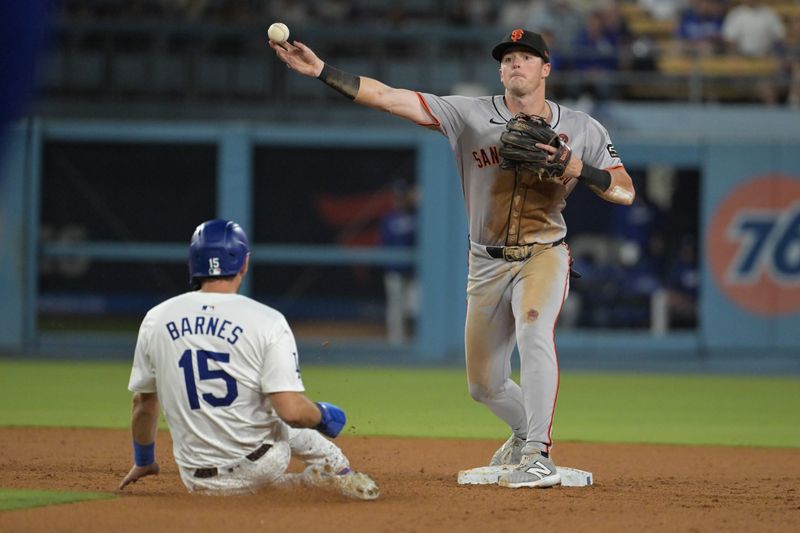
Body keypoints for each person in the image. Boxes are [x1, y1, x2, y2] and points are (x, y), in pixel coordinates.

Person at [270, 28, 635, 489]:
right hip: (486, 261)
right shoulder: (469, 115)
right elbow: (388, 97)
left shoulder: (582, 128)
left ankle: (539, 454)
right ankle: (524, 434)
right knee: (484, 386)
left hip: (544, 251)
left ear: (546, 68)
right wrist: (321, 70)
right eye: (507, 58)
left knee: (534, 327)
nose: (514, 64)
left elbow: (624, 191)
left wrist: (577, 167)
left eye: (526, 57)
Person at [118, 219, 379, 499]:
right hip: (260, 466)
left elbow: (143, 404)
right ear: (243, 264)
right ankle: (327, 478)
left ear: (192, 264)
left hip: (195, 479)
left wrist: (144, 460)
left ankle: (290, 484)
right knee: (281, 412)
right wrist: (324, 415)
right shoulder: (267, 320)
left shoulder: (155, 319)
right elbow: (291, 410)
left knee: (266, 413)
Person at [380, 180, 418, 344]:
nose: (399, 200)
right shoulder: (388, 219)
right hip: (394, 269)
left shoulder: (415, 216)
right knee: (396, 308)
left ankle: (416, 339)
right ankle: (396, 342)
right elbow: (384, 243)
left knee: (414, 307)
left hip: (413, 270)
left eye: (402, 196)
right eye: (397, 196)